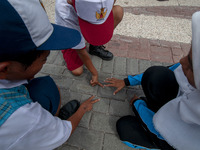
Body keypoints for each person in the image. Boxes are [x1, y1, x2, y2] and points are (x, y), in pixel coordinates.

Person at [0, 0, 99, 149]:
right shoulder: (21, 118)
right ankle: (46, 128)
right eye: (44, 59)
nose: (45, 62)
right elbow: (66, 131)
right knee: (47, 88)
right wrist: (83, 109)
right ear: (4, 69)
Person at [104, 11, 200, 150]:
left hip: (174, 143)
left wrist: (138, 105)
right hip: (180, 107)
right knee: (156, 76)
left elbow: (165, 133)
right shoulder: (188, 73)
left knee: (125, 125)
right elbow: (169, 70)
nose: (181, 61)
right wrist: (126, 81)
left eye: (190, 65)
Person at [55, 0, 123, 86]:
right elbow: (81, 51)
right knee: (77, 71)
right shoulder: (65, 12)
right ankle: (67, 45)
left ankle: (94, 45)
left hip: (81, 20)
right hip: (68, 29)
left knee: (118, 11)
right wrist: (94, 73)